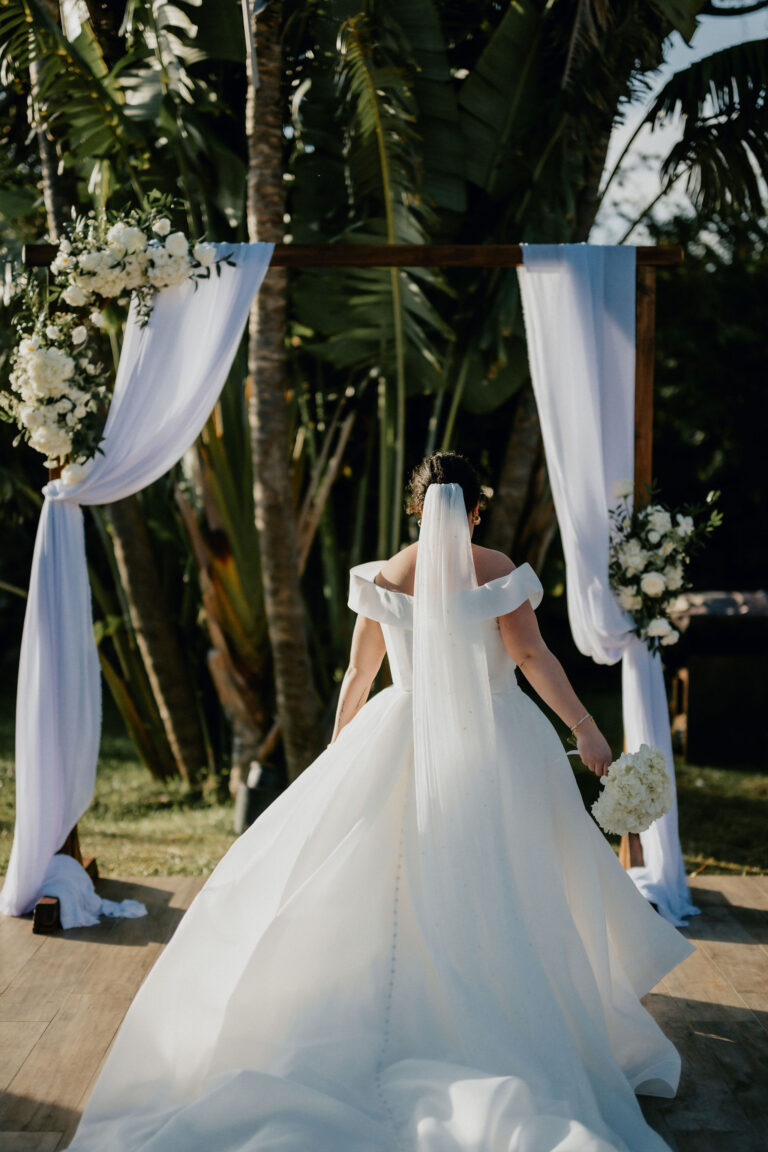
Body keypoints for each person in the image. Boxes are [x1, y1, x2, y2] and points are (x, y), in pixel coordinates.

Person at [69, 451, 693, 1152]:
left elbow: (359, 672)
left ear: (415, 509)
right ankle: (505, 1009)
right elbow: (530, 657)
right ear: (476, 508)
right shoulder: (497, 571)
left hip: (400, 728)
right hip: (496, 740)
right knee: (509, 877)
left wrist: (342, 753)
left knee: (392, 878)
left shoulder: (382, 576)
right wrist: (583, 727)